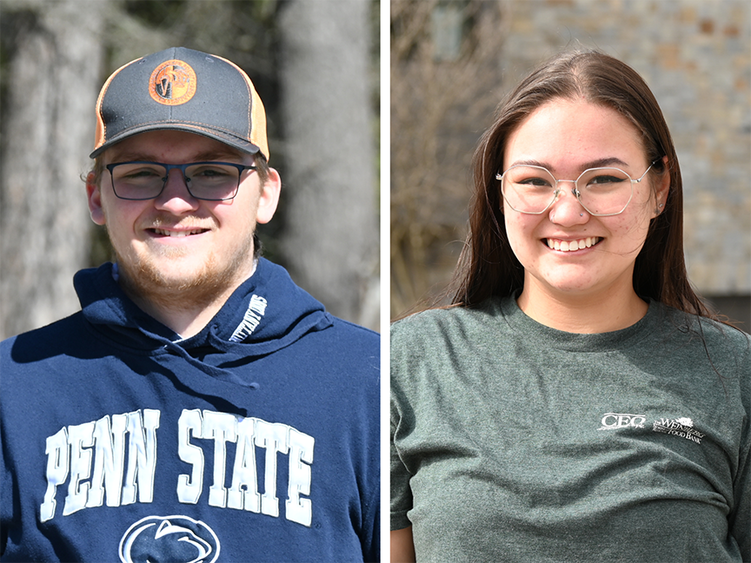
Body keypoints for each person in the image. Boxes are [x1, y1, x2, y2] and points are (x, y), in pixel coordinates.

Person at [0, 47, 379, 561]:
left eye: (212, 172)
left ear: (266, 194)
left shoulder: (372, 385)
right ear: (95, 196)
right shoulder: (13, 388)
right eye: (138, 173)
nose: (175, 201)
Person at [390, 49, 751, 562]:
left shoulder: (735, 372)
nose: (567, 211)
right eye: (534, 181)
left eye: (603, 179)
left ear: (659, 189)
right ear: (498, 194)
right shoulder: (410, 362)